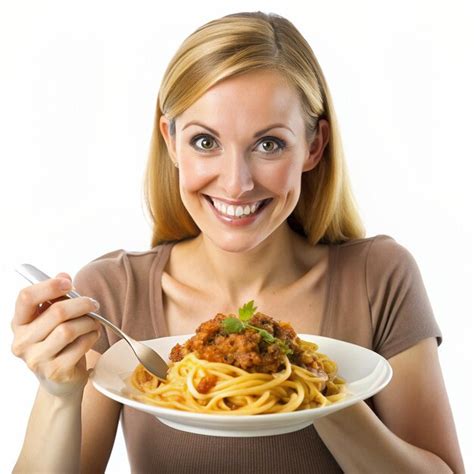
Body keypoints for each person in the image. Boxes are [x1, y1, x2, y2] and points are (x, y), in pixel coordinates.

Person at [11, 11, 464, 474]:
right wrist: (58, 395)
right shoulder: (113, 291)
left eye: (268, 145)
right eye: (206, 141)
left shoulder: (379, 277)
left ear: (313, 146)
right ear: (171, 141)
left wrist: (309, 387)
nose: (235, 184)